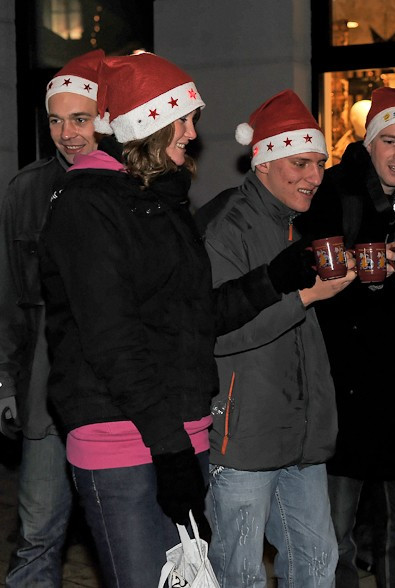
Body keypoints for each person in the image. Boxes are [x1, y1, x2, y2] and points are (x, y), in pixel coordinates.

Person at [38, 52, 317, 587]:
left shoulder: (162, 203)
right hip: (121, 439)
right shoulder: (88, 206)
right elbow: (113, 342)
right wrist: (168, 451)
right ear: (149, 124)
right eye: (184, 120)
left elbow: (193, 318)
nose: (193, 132)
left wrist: (274, 278)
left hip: (179, 433)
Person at [199, 89, 354, 587]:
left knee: (315, 565)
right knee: (239, 575)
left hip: (300, 438)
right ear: (263, 162)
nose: (314, 176)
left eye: (320, 163)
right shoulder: (227, 227)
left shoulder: (295, 225)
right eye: (301, 163)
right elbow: (217, 333)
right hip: (243, 442)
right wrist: (308, 297)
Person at [299, 84, 395, 588]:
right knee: (335, 530)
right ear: (369, 142)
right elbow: (308, 278)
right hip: (348, 390)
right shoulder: (334, 192)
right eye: (390, 140)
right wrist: (368, 266)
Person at [0, 48, 103, 588]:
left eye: (79, 119)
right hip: (42, 390)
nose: (67, 133)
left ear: (104, 118)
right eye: (57, 121)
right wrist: (4, 381)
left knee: (120, 533)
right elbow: (8, 296)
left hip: (113, 393)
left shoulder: (132, 185)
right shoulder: (26, 190)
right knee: (38, 530)